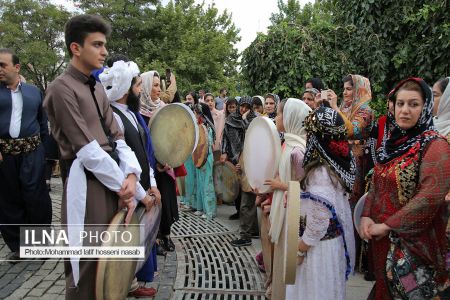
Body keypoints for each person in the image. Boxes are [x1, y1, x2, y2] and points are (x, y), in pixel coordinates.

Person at [44, 15, 142, 299]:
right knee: (86, 265)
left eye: (104, 45)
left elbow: (117, 136)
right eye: (97, 45)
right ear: (76, 47)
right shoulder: (60, 88)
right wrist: (123, 184)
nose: (104, 52)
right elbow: (86, 149)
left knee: (114, 263)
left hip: (113, 183)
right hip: (87, 186)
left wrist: (132, 178)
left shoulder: (97, 87)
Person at [360, 78, 450, 299]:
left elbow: (430, 197)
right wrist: (365, 216)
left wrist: (389, 225)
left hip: (414, 247)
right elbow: (376, 183)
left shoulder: (434, 144)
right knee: (385, 287)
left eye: (413, 104)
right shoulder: (392, 143)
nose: (405, 110)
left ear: (426, 107)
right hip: (382, 240)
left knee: (408, 290)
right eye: (400, 104)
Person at [100, 59, 162, 298]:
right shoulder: (113, 117)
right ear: (126, 89)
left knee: (139, 238)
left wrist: (153, 185)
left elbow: (144, 154)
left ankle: (133, 282)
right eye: (138, 85)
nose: (141, 90)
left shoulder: (131, 114)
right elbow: (122, 163)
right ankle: (127, 283)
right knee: (127, 239)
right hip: (130, 191)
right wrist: (141, 195)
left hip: (145, 186)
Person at [287, 106, 356, 299]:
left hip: (318, 249)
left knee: (314, 291)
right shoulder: (338, 165)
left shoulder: (321, 173)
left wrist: (300, 249)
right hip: (331, 245)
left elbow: (318, 222)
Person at [0, 48, 52, 261]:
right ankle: (17, 247)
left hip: (32, 153)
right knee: (8, 200)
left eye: (3, 65)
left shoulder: (33, 92)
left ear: (17, 67)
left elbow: (42, 122)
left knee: (36, 197)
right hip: (4, 155)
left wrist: (44, 153)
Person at [258, 98, 311, 297]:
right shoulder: (288, 143)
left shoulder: (298, 150)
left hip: (292, 217)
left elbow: (306, 189)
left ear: (291, 118)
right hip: (283, 210)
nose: (277, 117)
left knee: (286, 261)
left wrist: (280, 185)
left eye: (280, 114)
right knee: (279, 257)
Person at [140, 70, 179, 255]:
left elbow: (171, 135)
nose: (157, 89)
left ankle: (167, 235)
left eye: (158, 85)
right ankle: (154, 239)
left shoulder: (162, 107)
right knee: (155, 201)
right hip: (151, 166)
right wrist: (155, 163)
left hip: (166, 164)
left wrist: (170, 158)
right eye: (154, 85)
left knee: (168, 199)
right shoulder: (140, 111)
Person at [223, 96, 259, 247]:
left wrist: (245, 119)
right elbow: (226, 136)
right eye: (241, 106)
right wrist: (227, 153)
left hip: (251, 163)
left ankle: (246, 235)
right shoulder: (231, 118)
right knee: (244, 199)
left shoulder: (255, 121)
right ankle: (254, 231)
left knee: (247, 201)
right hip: (237, 159)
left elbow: (252, 137)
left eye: (246, 107)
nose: (243, 109)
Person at [187, 95, 217, 219]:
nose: (195, 115)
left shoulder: (208, 127)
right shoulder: (198, 126)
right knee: (199, 184)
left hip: (207, 158)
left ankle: (209, 211)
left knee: (207, 185)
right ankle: (200, 208)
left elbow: (207, 144)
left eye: (196, 113)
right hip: (199, 158)